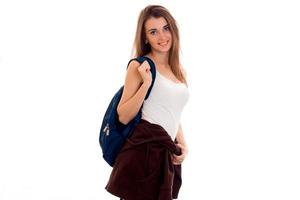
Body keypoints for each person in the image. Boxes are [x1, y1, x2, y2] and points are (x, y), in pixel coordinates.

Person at [105, 5, 190, 200]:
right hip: (143, 152)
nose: (162, 37)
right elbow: (123, 116)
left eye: (166, 28)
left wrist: (183, 144)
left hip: (165, 153)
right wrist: (146, 84)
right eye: (153, 32)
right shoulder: (139, 66)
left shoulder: (178, 71)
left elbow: (172, 111)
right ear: (145, 37)